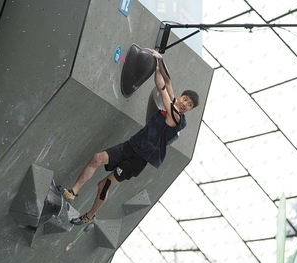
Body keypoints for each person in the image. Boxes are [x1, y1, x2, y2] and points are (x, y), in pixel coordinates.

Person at [64, 48, 199, 225]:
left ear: (189, 110)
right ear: (180, 96)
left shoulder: (176, 118)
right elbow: (165, 80)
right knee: (97, 158)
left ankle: (90, 216)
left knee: (103, 185)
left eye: (189, 105)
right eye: (185, 99)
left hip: (139, 160)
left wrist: (160, 60)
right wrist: (158, 62)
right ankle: (73, 191)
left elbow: (161, 86)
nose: (185, 104)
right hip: (130, 145)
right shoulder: (174, 101)